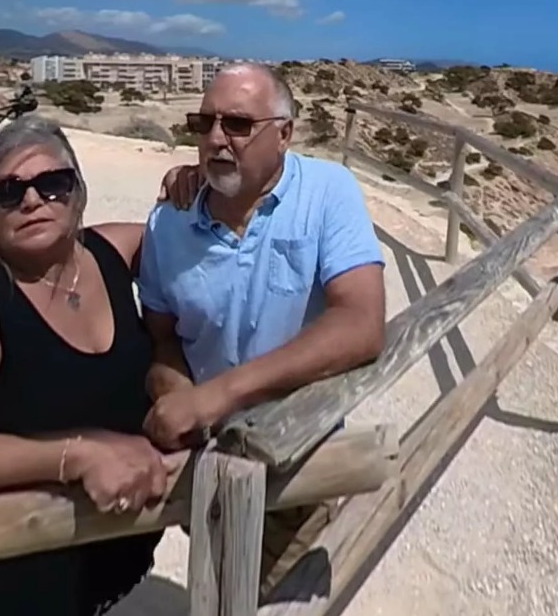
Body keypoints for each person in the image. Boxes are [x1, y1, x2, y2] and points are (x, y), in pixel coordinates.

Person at [0, 115, 172, 616]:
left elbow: (202, 233)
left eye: (52, 183)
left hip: (92, 580)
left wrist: (188, 179)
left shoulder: (114, 252)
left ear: (78, 192)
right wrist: (78, 456)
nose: (31, 200)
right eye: (8, 190)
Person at [137, 62, 388, 596]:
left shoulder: (326, 193)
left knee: (287, 597)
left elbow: (362, 322)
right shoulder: (168, 222)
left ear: (285, 134)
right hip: (206, 463)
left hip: (298, 456)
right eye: (202, 123)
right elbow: (160, 334)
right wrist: (175, 391)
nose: (214, 139)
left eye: (237, 125)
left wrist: (217, 396)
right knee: (219, 585)